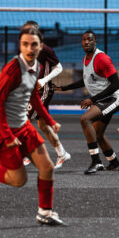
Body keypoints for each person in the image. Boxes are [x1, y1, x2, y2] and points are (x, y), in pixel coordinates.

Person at [0, 27, 65, 226]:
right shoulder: (13, 69)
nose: (30, 48)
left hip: (23, 125)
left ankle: (45, 212)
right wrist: (8, 135)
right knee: (17, 180)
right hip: (2, 128)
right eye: (25, 44)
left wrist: (50, 120)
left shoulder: (36, 66)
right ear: (20, 46)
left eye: (34, 44)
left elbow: (33, 96)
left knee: (47, 167)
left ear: (40, 47)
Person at [57, 30, 119, 174]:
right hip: (102, 99)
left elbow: (116, 85)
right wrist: (63, 88)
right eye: (83, 39)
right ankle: (114, 162)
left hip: (113, 98)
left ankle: (96, 162)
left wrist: (92, 99)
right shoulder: (86, 58)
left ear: (95, 42)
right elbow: (86, 81)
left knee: (85, 119)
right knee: (98, 134)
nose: (86, 42)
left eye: (89, 39)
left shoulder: (102, 58)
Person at [22, 21, 70, 169]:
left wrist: (43, 81)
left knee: (23, 119)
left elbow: (59, 67)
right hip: (32, 89)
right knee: (43, 126)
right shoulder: (26, 50)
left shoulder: (45, 49)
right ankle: (62, 153)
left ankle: (27, 154)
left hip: (44, 90)